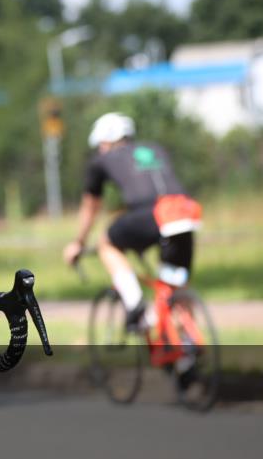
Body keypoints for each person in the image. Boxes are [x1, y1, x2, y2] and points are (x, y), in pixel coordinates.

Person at [62, 112, 201, 331]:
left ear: (106, 140)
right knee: (174, 287)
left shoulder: (102, 160)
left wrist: (78, 242)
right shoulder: (155, 149)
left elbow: (91, 207)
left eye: (100, 144)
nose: (100, 149)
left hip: (152, 213)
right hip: (185, 212)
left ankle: (134, 301)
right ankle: (186, 349)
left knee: (106, 243)